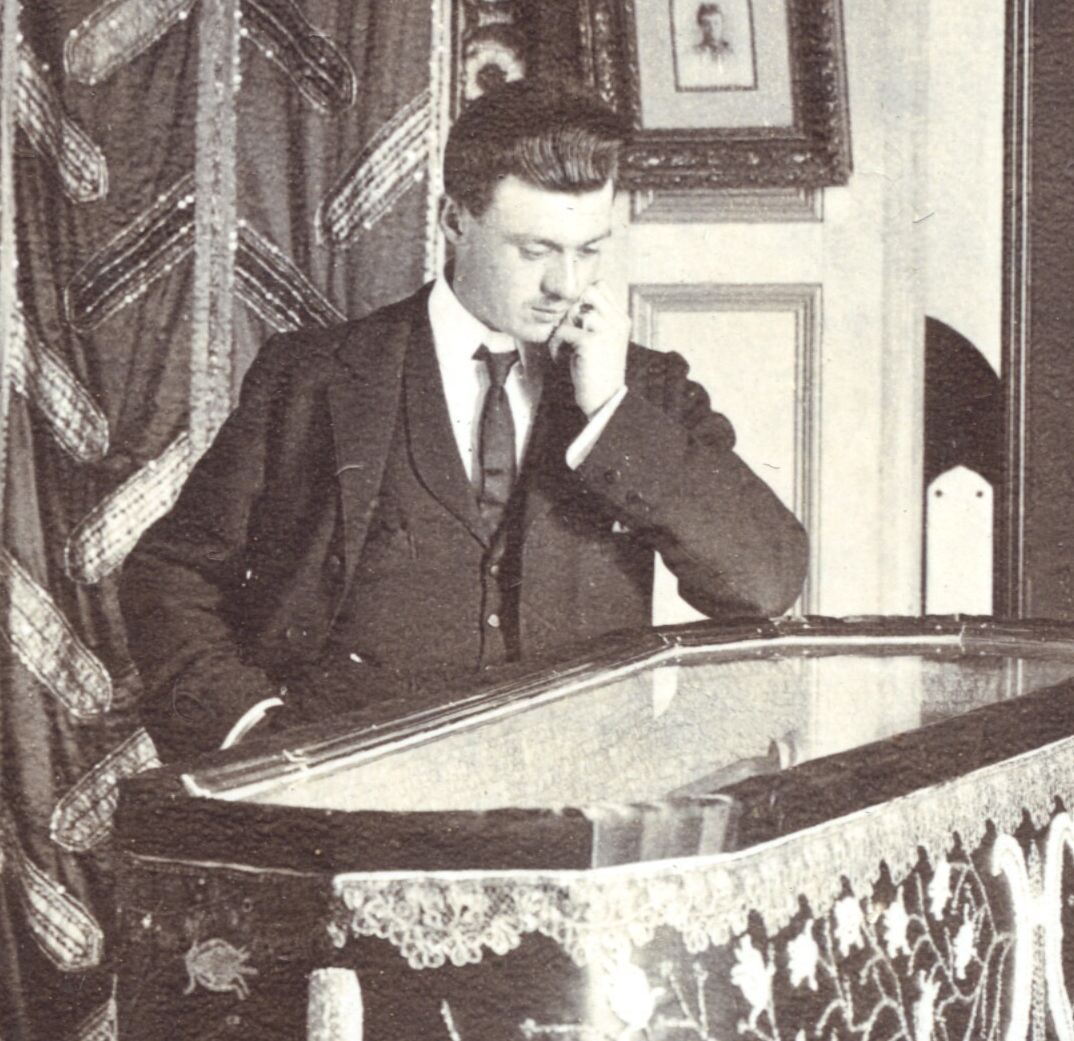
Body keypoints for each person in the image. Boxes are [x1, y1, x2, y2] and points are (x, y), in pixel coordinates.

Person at [120, 74, 810, 755]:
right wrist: (249, 730)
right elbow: (168, 575)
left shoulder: (645, 388)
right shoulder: (313, 376)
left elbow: (766, 582)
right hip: (349, 817)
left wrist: (610, 412)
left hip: (573, 812)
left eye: (588, 250)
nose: (564, 285)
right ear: (454, 221)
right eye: (534, 250)